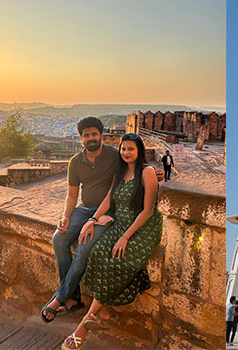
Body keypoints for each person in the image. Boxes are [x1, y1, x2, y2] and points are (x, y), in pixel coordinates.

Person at [41, 117, 163, 324]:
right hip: (85, 209)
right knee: (58, 239)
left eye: (94, 134)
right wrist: (66, 217)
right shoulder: (75, 162)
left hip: (109, 212)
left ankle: (61, 297)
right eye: (86, 135)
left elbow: (134, 164)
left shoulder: (113, 156)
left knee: (84, 248)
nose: (91, 138)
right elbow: (71, 195)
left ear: (101, 136)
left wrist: (155, 173)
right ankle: (73, 297)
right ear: (81, 138)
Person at [62, 133, 163, 349]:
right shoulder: (120, 171)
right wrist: (92, 219)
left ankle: (83, 327)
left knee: (115, 261)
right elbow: (108, 200)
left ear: (139, 151)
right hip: (121, 222)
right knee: (96, 251)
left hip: (142, 227)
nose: (126, 153)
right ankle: (102, 310)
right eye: (123, 149)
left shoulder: (147, 172)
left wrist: (125, 237)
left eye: (131, 149)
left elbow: (147, 210)